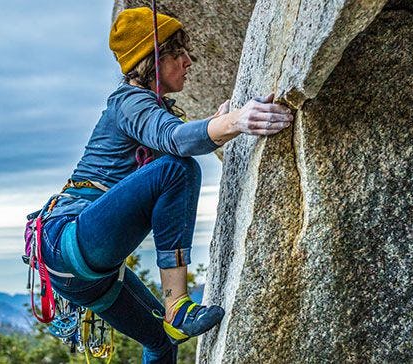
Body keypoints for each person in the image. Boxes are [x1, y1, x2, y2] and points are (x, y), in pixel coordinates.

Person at [34, 7, 293, 363]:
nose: (189, 61)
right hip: (69, 237)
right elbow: (176, 141)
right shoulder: (129, 101)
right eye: (178, 52)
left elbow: (172, 134)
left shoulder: (146, 109)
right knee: (177, 169)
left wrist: (218, 123)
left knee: (161, 342)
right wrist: (238, 120)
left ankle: (173, 317)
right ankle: (178, 306)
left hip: (83, 271)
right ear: (152, 60)